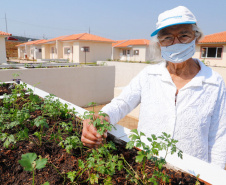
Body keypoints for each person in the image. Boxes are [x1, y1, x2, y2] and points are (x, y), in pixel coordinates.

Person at [81, 6, 226, 169]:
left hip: (193, 174)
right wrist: (102, 117)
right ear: (159, 44)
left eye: (184, 35)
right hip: (148, 169)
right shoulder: (148, 75)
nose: (176, 42)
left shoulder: (214, 82)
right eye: (168, 38)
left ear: (196, 38)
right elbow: (122, 103)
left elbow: (219, 138)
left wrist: (215, 177)